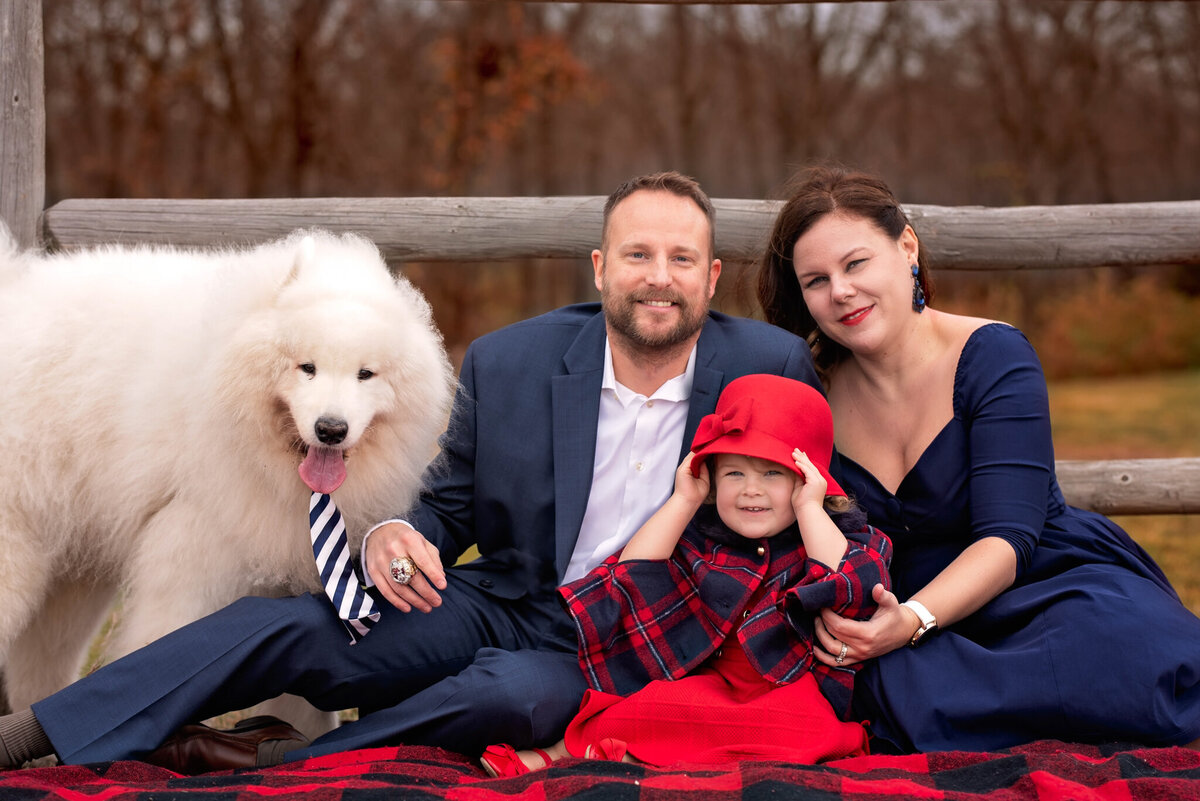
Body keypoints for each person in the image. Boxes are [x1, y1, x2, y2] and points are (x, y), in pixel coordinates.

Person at [0, 171, 821, 772]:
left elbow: (813, 499)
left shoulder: (769, 364)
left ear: (711, 280)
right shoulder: (512, 359)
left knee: (506, 697)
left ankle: (282, 760)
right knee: (295, 624)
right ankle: (39, 731)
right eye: (639, 254)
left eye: (683, 259)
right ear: (602, 268)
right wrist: (399, 533)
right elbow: (450, 507)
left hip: (626, 643)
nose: (659, 276)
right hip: (505, 600)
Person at [755, 164, 1200, 754]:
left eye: (855, 263)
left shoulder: (993, 354)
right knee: (883, 689)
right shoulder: (812, 393)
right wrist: (885, 625)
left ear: (906, 246)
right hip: (902, 621)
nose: (840, 291)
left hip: (1037, 584)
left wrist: (912, 618)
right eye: (816, 280)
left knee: (1127, 656)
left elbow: (1009, 538)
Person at [478, 374, 892, 776]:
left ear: (809, 481)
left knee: (804, 727)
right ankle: (561, 753)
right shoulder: (702, 539)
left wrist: (809, 510)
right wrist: (683, 500)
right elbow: (629, 579)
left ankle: (643, 759)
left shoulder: (838, 539)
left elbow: (854, 586)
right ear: (711, 479)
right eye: (734, 473)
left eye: (773, 474)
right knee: (654, 706)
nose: (751, 489)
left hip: (784, 691)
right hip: (706, 682)